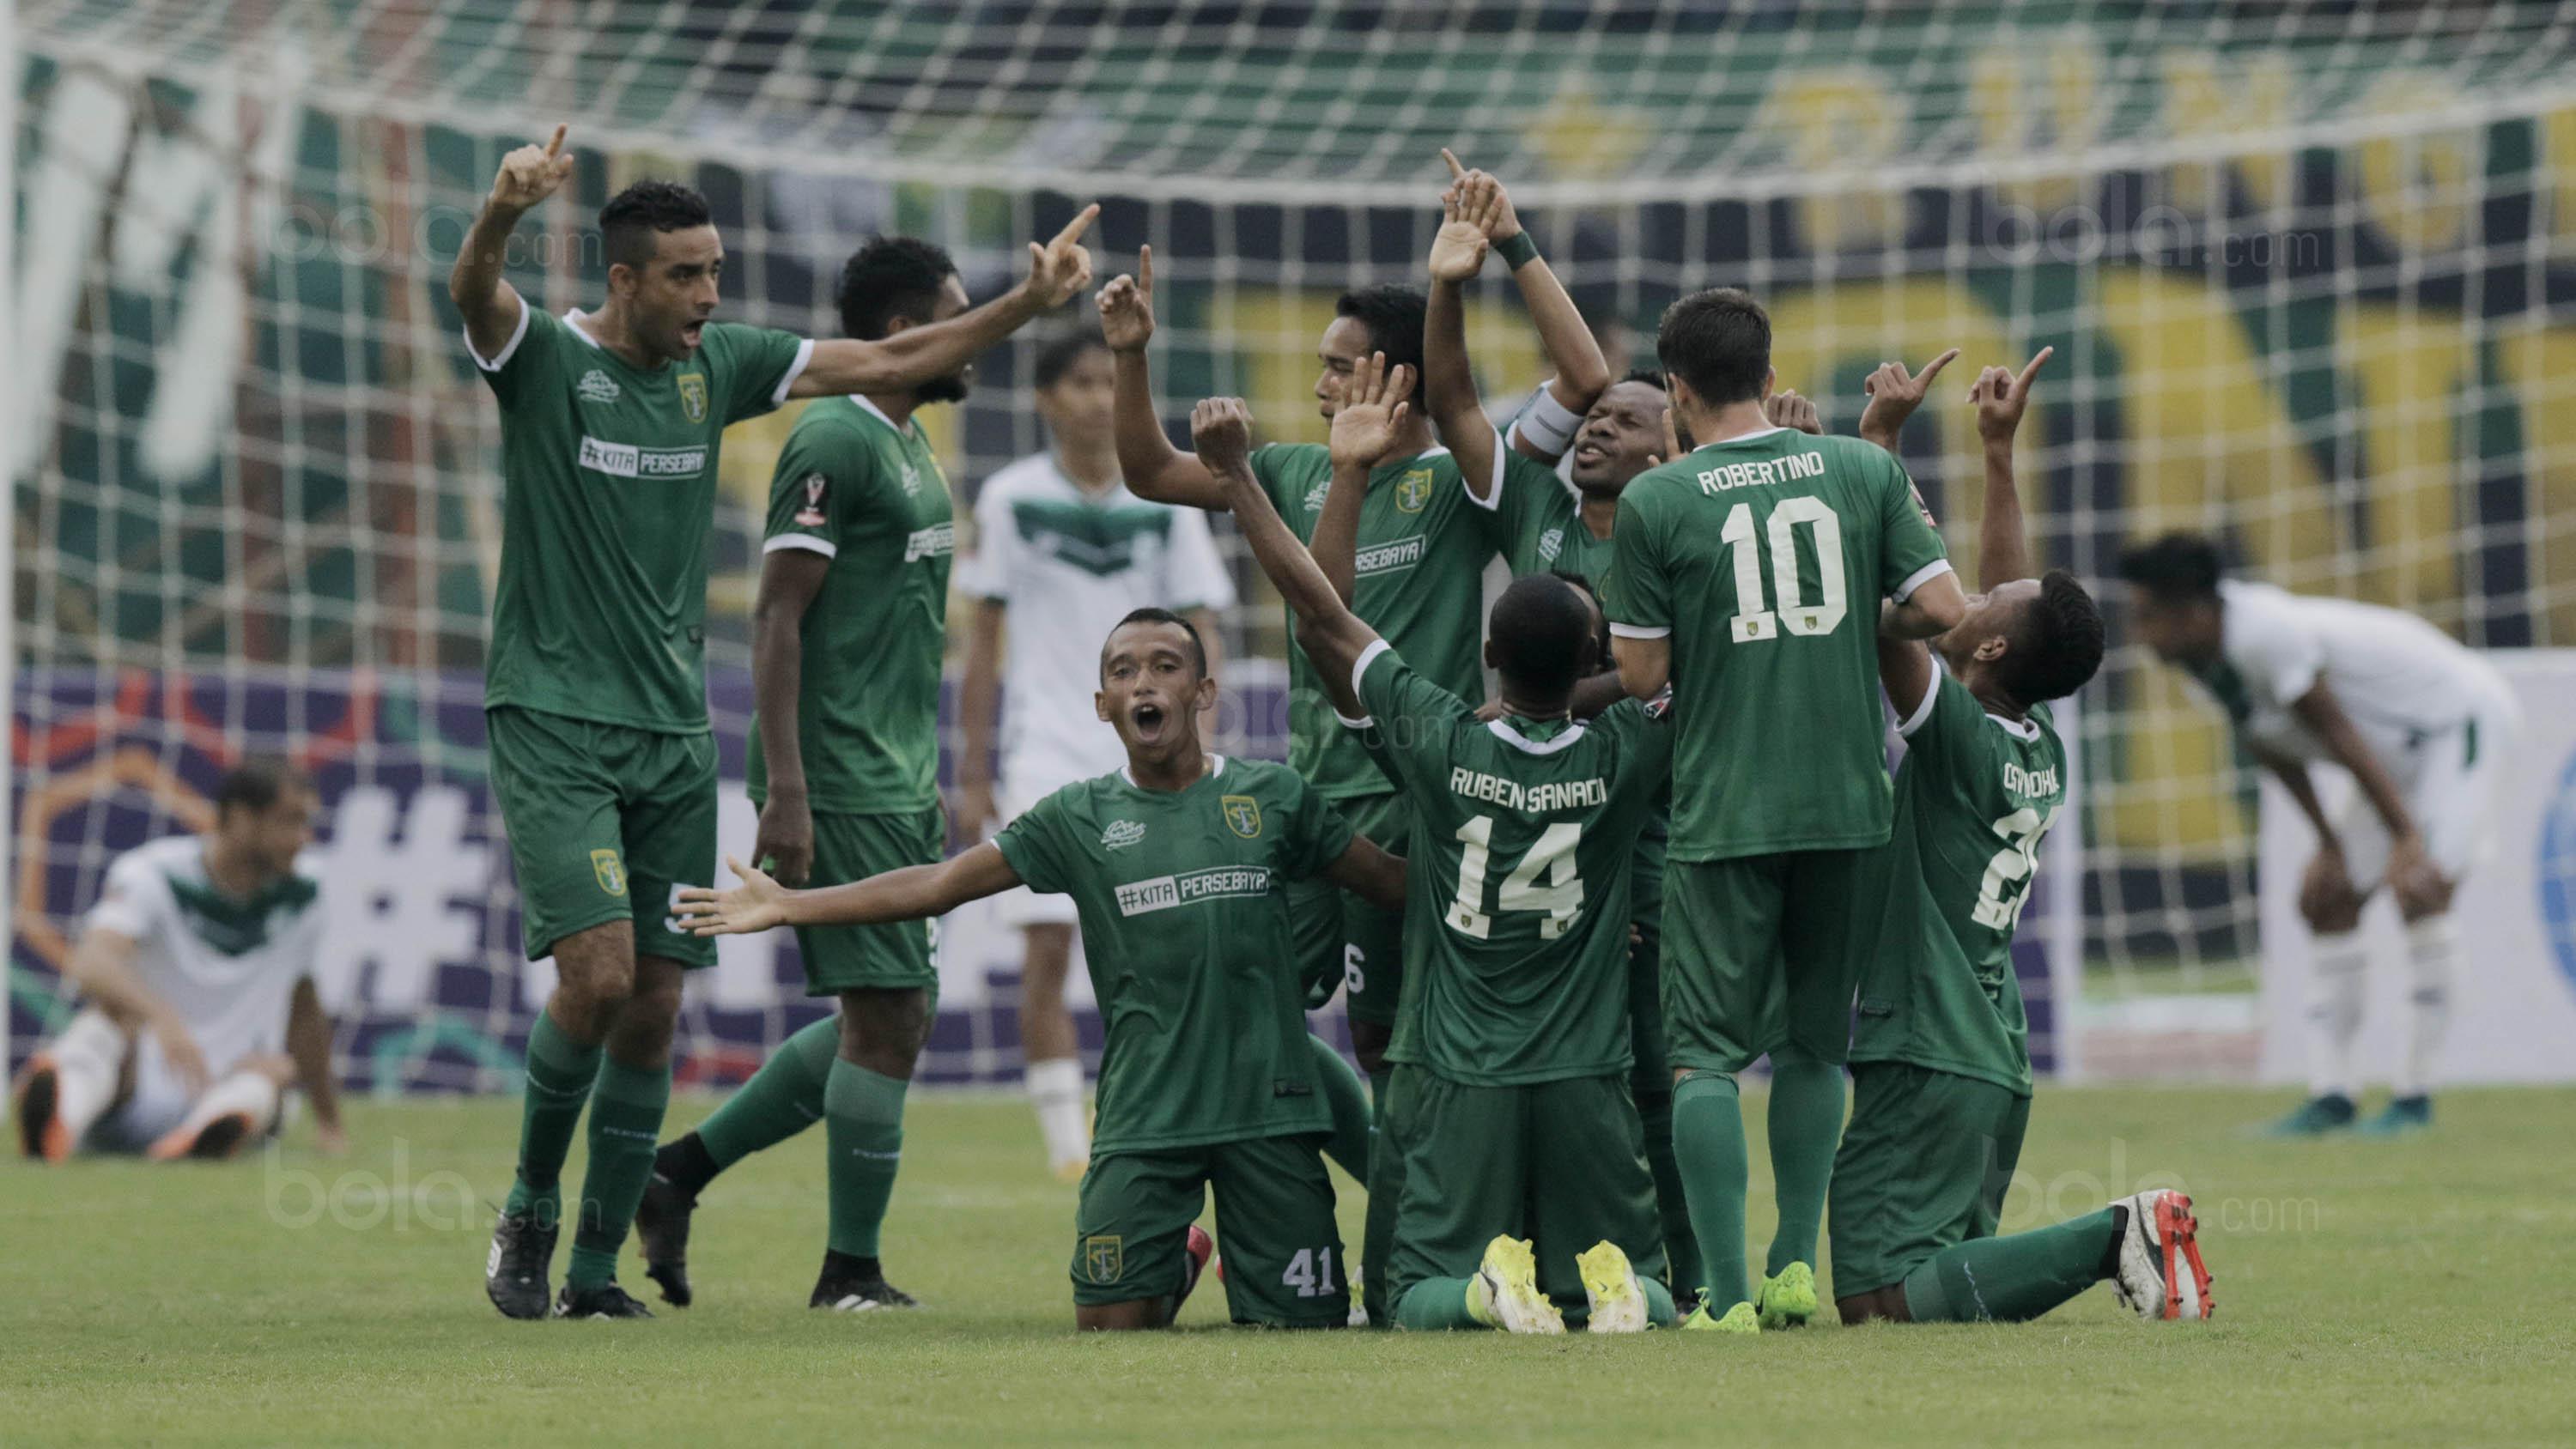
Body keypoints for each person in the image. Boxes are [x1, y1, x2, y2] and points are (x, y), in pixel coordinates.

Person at [451, 122, 1097, 1319]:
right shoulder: (543, 357)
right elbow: (472, 293)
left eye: (716, 271)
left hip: (672, 734)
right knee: (594, 981)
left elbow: (901, 354)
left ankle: (596, 1270)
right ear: (626, 278)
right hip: (550, 717)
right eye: (687, 274)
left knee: (654, 1000)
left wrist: (1027, 300)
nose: (709, 294)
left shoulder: (727, 364)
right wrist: (499, 213)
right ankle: (532, 1208)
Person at [675, 609, 1407, 1331]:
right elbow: (938, 883)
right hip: (1148, 1115)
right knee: (1110, 1322)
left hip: (1268, 1116)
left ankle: (1284, 1256)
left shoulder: (1275, 797)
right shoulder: (1077, 818)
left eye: (1164, 666)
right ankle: (1178, 1260)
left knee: (1301, 1325)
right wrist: (791, 905)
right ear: (1103, 706)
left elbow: (1389, 884)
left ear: (1203, 692)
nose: (1143, 683)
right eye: (1123, 672)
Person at [1196, 382, 1677, 1334]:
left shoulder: (1444, 739)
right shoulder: (1628, 751)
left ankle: (1482, 1289)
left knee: (1409, 1296)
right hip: (1587, 1064)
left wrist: (1240, 477)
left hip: (1463, 1065)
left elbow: (1322, 614)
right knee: (1653, 1286)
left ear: (1487, 652)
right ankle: (1616, 1289)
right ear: (1596, 655)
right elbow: (1696, 657)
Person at [631, 236, 1011, 1314]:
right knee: (889, 1016)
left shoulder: (911, 443)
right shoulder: (833, 436)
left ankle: (680, 1171)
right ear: (901, 334)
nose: (967, 335)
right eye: (952, 313)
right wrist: (785, 787)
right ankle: (849, 1271)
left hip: (896, 772)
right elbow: (776, 615)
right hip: (837, 775)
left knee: (889, 1011)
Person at [1602, 288, 1968, 1334]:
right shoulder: (1862, 467)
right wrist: (1854, 598)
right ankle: (1794, 1266)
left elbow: (1638, 675)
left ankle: (1724, 1294)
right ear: (1770, 375)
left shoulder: (1659, 501)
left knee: (1705, 1056)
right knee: (1816, 1046)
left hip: (1724, 809)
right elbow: (1944, 610)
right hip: (1852, 804)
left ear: (1674, 389)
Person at [1825, 351, 2213, 1324]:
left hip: (1928, 1040)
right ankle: (2121, 1239)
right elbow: (2007, 593)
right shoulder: (2035, 740)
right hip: (1988, 1047)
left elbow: (1898, 616)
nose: (1967, 591)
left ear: (1990, 648)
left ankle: (2117, 1231)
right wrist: (1997, 451)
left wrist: (1876, 446)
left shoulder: (1956, 729)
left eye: (1984, 608)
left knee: (1879, 1300)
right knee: (1942, 1277)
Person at [953, 330, 1239, 1181]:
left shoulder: (1168, 495)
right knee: (1046, 948)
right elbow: (984, 640)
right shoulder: (1008, 498)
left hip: (1152, 751)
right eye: (1080, 380)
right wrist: (973, 770)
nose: (1095, 396)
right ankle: (1067, 1150)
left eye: (1109, 382)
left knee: (1170, 943)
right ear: (1045, 399)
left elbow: (1204, 621)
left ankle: (1166, 1108)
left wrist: (1206, 742)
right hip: (1044, 742)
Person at [2118, 533, 2520, 1137]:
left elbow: (2333, 729)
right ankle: (2332, 1097)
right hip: (2393, 763)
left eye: (2150, 618)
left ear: (2194, 612)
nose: (2141, 635)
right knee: (2324, 899)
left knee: (2420, 886)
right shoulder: (2202, 666)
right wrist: (2329, 844)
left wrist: (2406, 836)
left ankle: (2414, 1099)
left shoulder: (2262, 632)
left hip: (2455, 722)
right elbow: (2273, 746)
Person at [12, 758, 343, 1163]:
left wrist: (330, 1121)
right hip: (136, 1088)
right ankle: (59, 1114)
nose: (302, 838)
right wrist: (162, 1018)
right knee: (101, 1028)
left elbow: (304, 1009)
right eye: (289, 822)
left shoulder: (306, 896)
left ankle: (201, 1135)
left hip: (233, 1077)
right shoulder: (154, 873)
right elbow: (92, 963)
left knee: (271, 1076)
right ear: (240, 819)